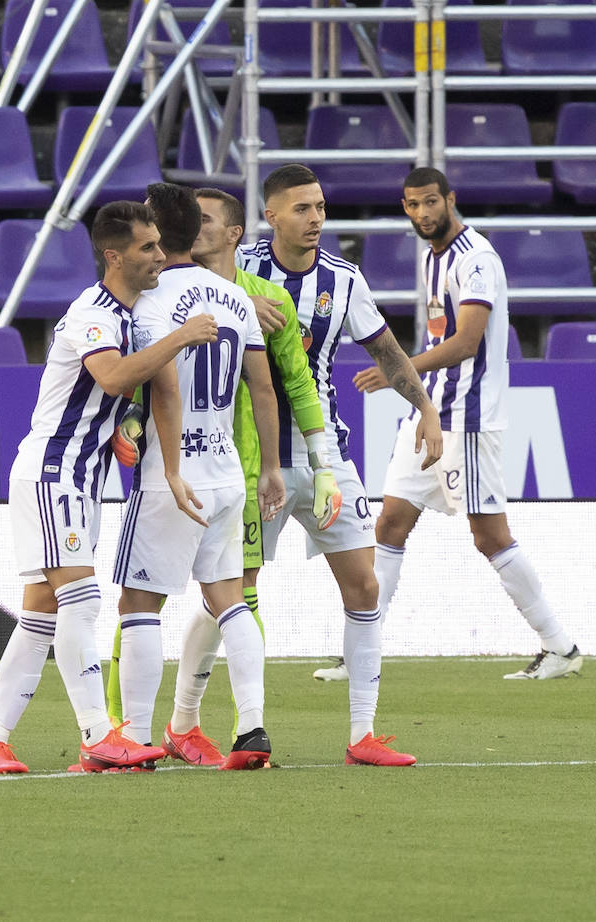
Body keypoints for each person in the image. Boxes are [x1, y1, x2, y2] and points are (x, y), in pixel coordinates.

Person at [0, 200, 219, 775]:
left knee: (40, 616)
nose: (159, 255)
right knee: (80, 601)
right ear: (114, 255)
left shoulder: (126, 315)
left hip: (78, 477)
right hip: (54, 474)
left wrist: (123, 433)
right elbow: (111, 376)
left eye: (159, 244)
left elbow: (108, 397)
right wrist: (181, 338)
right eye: (147, 247)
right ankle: (97, 736)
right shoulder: (95, 313)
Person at [105, 185, 339, 764]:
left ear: (158, 233)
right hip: (228, 468)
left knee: (138, 603)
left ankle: (132, 738)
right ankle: (252, 728)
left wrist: (129, 429)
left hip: (172, 472)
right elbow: (264, 387)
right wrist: (269, 468)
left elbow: (143, 382)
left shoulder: (150, 300)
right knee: (232, 600)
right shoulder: (234, 297)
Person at [237, 163, 443, 766]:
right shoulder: (239, 271)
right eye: (302, 209)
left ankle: (362, 735)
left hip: (327, 456)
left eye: (321, 207)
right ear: (271, 215)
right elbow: (182, 285)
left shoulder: (343, 280)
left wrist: (426, 407)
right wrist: (240, 297)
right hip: (257, 455)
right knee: (233, 592)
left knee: (364, 583)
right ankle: (190, 721)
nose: (316, 219)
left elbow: (387, 350)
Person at [352, 167, 583, 681]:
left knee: (490, 537)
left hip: (469, 416)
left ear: (449, 200)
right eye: (411, 205)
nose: (422, 214)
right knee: (390, 522)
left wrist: (397, 370)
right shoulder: (435, 257)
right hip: (433, 409)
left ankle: (560, 645)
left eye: (430, 202)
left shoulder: (475, 259)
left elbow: (466, 342)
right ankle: (361, 651)